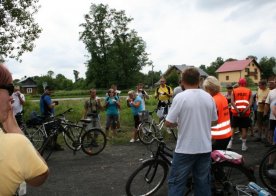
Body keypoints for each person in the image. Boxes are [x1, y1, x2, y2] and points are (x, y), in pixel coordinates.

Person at [165, 67, 218, 196]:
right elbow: (215, 121)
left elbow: (168, 122)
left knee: (176, 183)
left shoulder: (180, 97)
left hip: (185, 149)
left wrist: (180, 122)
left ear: (182, 81)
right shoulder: (209, 97)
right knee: (202, 183)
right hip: (205, 148)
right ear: (199, 80)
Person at [0, 63, 49, 195]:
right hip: (13, 119)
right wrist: (14, 129)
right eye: (9, 89)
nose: (11, 96)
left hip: (18, 114)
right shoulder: (13, 145)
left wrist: (19, 96)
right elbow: (40, 177)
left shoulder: (20, 95)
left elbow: (23, 103)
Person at [203, 76, 232, 150]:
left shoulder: (212, 100)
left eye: (206, 89)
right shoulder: (222, 97)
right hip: (226, 134)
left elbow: (209, 120)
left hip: (217, 136)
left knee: (211, 159)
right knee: (220, 158)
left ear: (210, 89)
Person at [227, 78, 253, 151]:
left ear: (238, 83)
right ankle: (243, 146)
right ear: (245, 83)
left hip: (235, 113)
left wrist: (238, 111)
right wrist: (244, 111)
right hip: (245, 114)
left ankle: (230, 144)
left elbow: (232, 102)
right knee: (244, 129)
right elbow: (250, 103)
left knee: (233, 128)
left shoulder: (234, 91)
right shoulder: (249, 91)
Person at [39, 86, 63, 150]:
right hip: (48, 116)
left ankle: (47, 146)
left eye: (51, 91)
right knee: (56, 128)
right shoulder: (46, 96)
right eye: (50, 91)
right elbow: (50, 106)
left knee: (48, 132)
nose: (51, 92)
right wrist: (55, 103)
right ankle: (54, 145)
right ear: (46, 90)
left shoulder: (42, 96)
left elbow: (46, 105)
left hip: (44, 115)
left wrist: (52, 103)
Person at [264, 78, 276, 147]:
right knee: (271, 130)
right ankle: (271, 143)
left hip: (273, 115)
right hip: (273, 116)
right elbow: (267, 104)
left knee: (271, 130)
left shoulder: (271, 92)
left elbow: (267, 104)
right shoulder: (271, 92)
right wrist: (265, 114)